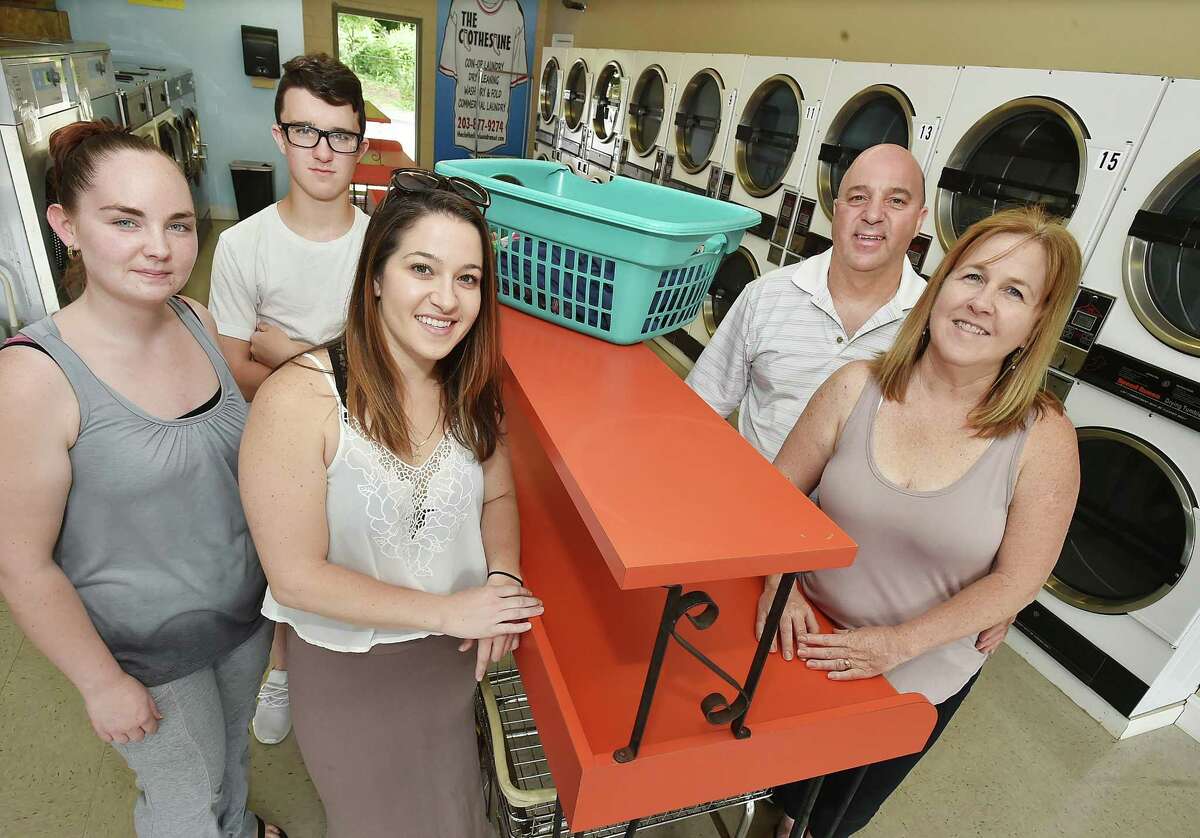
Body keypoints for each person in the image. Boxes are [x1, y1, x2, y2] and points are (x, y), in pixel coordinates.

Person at [0, 121, 285, 837]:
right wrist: (101, 683)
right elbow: (20, 563)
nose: (160, 248)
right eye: (125, 221)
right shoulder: (32, 378)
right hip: (144, 650)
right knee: (185, 797)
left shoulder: (192, 317)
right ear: (66, 225)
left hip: (241, 615)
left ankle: (240, 828)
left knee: (230, 756)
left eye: (179, 224)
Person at [237, 170, 542, 838]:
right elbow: (295, 575)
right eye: (422, 269)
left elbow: (498, 493)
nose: (447, 299)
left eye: (468, 278)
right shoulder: (301, 399)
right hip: (350, 668)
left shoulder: (470, 388)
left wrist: (504, 576)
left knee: (451, 803)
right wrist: (449, 610)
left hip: (450, 658)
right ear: (375, 276)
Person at [763, 206, 1082, 838]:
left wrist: (897, 645)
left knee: (825, 820)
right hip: (802, 638)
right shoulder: (856, 386)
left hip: (914, 676)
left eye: (1014, 291)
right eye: (972, 278)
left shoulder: (1044, 438)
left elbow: (1019, 579)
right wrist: (779, 583)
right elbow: (773, 500)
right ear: (938, 288)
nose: (981, 303)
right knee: (764, 788)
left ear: (1035, 324)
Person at [209, 52, 414, 745]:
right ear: (278, 135)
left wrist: (291, 352)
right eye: (306, 132)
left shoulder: (383, 247)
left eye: (341, 135)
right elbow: (237, 367)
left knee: (359, 559)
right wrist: (328, 370)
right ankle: (281, 664)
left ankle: (354, 671)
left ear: (362, 141)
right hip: (285, 447)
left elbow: (396, 365)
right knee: (289, 561)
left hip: (374, 440)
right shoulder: (244, 246)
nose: (324, 151)